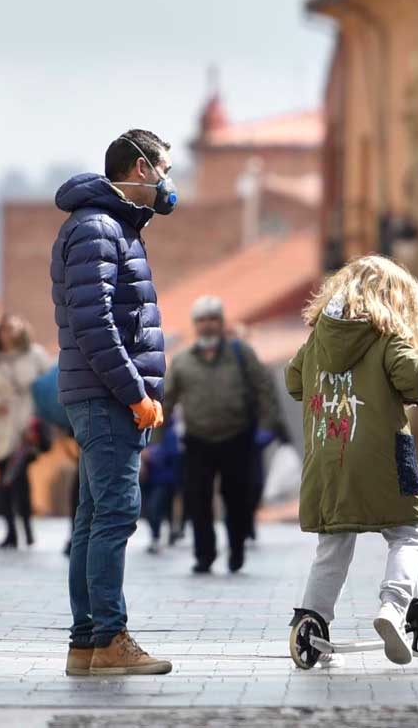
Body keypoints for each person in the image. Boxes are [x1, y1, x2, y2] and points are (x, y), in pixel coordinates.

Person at [53, 130, 175, 677]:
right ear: (142, 168)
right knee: (116, 516)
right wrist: (136, 393)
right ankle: (109, 639)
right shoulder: (99, 228)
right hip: (107, 398)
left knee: (93, 518)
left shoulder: (110, 226)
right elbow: (94, 323)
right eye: (165, 169)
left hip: (101, 395)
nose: (170, 183)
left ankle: (86, 644)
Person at [285, 256, 418, 666]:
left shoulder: (317, 339)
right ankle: (393, 607)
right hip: (383, 456)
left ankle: (311, 621)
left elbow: (293, 381)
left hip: (327, 457)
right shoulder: (387, 338)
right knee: (408, 535)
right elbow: (415, 382)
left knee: (332, 546)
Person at [162, 295, 283, 574]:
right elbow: (166, 402)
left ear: (221, 323)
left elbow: (265, 389)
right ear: (195, 325)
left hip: (236, 438)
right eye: (202, 320)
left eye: (213, 319)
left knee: (237, 499)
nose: (207, 326)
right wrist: (154, 442)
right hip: (197, 441)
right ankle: (204, 555)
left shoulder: (241, 353)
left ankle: (237, 549)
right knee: (198, 500)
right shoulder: (181, 361)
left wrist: (266, 426)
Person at [0, 314, 52, 549]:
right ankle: (10, 531)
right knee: (3, 480)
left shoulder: (36, 355)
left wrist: (41, 415)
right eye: (5, 329)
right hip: (0, 424)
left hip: (27, 424)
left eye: (13, 329)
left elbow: (49, 384)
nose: (9, 334)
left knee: (21, 478)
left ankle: (27, 528)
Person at [140, 413, 183, 555]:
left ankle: (163, 534)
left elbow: (173, 454)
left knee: (157, 507)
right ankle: (158, 535)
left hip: (164, 479)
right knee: (152, 509)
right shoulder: (145, 428)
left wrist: (150, 455)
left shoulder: (169, 432)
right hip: (149, 479)